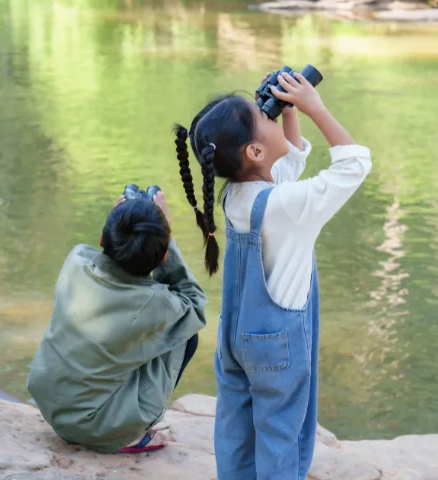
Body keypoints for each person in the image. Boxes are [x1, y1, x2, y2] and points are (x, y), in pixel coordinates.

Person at [173, 72, 372, 479]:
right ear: (255, 150)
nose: (273, 117)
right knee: (283, 436)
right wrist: (315, 107)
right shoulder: (285, 206)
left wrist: (289, 113)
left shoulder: (236, 196)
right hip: (279, 346)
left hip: (237, 337)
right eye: (266, 117)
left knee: (237, 430)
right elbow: (355, 163)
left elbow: (285, 165)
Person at [26, 191, 206, 454]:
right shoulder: (156, 304)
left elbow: (102, 258)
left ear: (102, 238)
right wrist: (167, 236)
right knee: (187, 331)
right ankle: (130, 435)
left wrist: (118, 221)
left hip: (49, 405)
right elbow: (196, 305)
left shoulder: (75, 261)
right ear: (164, 257)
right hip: (93, 428)